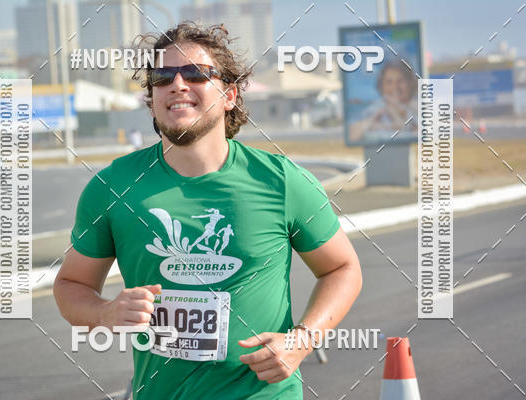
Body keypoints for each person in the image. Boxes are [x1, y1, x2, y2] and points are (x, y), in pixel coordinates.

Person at [54, 22, 362, 399]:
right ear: (151, 98)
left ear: (229, 95)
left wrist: (302, 340)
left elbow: (342, 268)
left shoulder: (282, 182)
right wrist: (105, 314)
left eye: (196, 74)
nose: (177, 84)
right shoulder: (113, 187)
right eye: (162, 77)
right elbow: (71, 286)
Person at [349, 61, 418, 143]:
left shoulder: (419, 107)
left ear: (410, 83)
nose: (395, 87)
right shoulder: (375, 109)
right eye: (389, 82)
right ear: (381, 86)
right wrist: (376, 119)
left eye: (400, 81)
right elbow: (352, 136)